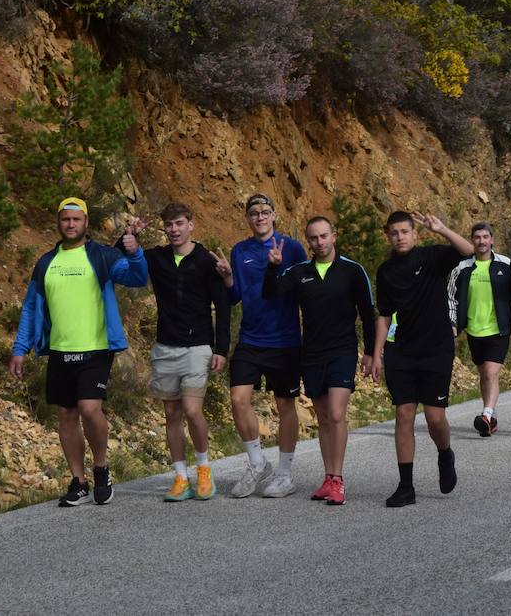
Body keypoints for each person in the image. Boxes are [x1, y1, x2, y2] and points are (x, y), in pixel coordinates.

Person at [10, 197, 148, 507]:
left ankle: (101, 468)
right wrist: (20, 348)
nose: (70, 224)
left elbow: (137, 277)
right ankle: (78, 481)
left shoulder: (102, 256)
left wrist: (136, 251)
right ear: (58, 223)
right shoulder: (46, 262)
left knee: (88, 408)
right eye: (65, 220)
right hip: (60, 349)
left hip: (97, 348)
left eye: (76, 219)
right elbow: (31, 307)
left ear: (86, 222)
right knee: (66, 414)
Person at [262, 216, 376, 506]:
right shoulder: (299, 272)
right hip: (311, 354)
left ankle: (338, 480)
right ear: (308, 241)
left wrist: (372, 353)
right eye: (313, 238)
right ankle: (328, 478)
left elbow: (367, 312)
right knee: (324, 417)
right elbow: (271, 293)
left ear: (334, 236)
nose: (320, 242)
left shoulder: (352, 271)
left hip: (343, 351)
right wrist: (273, 266)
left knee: (337, 415)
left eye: (324, 236)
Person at [375, 211, 474, 508]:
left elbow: (470, 251)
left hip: (436, 348)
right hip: (401, 351)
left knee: (434, 418)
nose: (400, 237)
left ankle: (445, 452)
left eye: (405, 231)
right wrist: (377, 353)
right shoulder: (386, 271)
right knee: (404, 414)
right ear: (388, 236)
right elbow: (382, 315)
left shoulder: (432, 258)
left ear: (415, 234)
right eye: (394, 232)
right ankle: (406, 487)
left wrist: (443, 229)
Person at [141, 203, 232, 503]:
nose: (174, 229)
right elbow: (125, 256)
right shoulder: (157, 258)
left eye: (179, 223)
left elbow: (223, 306)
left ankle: (203, 469)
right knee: (171, 413)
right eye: (169, 225)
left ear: (191, 225)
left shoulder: (207, 262)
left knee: (192, 410)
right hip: (166, 346)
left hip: (198, 347)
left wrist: (221, 349)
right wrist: (129, 237)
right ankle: (181, 477)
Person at [221, 194, 307, 499]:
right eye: (254, 213)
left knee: (285, 406)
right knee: (238, 398)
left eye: (265, 212)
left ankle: (284, 475)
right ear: (247, 218)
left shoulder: (292, 247)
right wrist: (229, 278)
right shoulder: (240, 250)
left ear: (274, 215)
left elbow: (305, 288)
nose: (260, 217)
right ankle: (258, 464)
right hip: (251, 339)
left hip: (284, 341)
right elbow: (233, 299)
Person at [447, 223, 511, 437]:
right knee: (484, 375)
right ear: (472, 240)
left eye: (485, 237)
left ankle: (486, 414)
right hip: (474, 330)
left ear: (492, 239)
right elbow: (451, 297)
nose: (481, 241)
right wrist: (453, 323)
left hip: (498, 329)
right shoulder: (462, 268)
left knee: (491, 373)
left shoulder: (506, 265)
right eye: (477, 237)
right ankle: (490, 418)